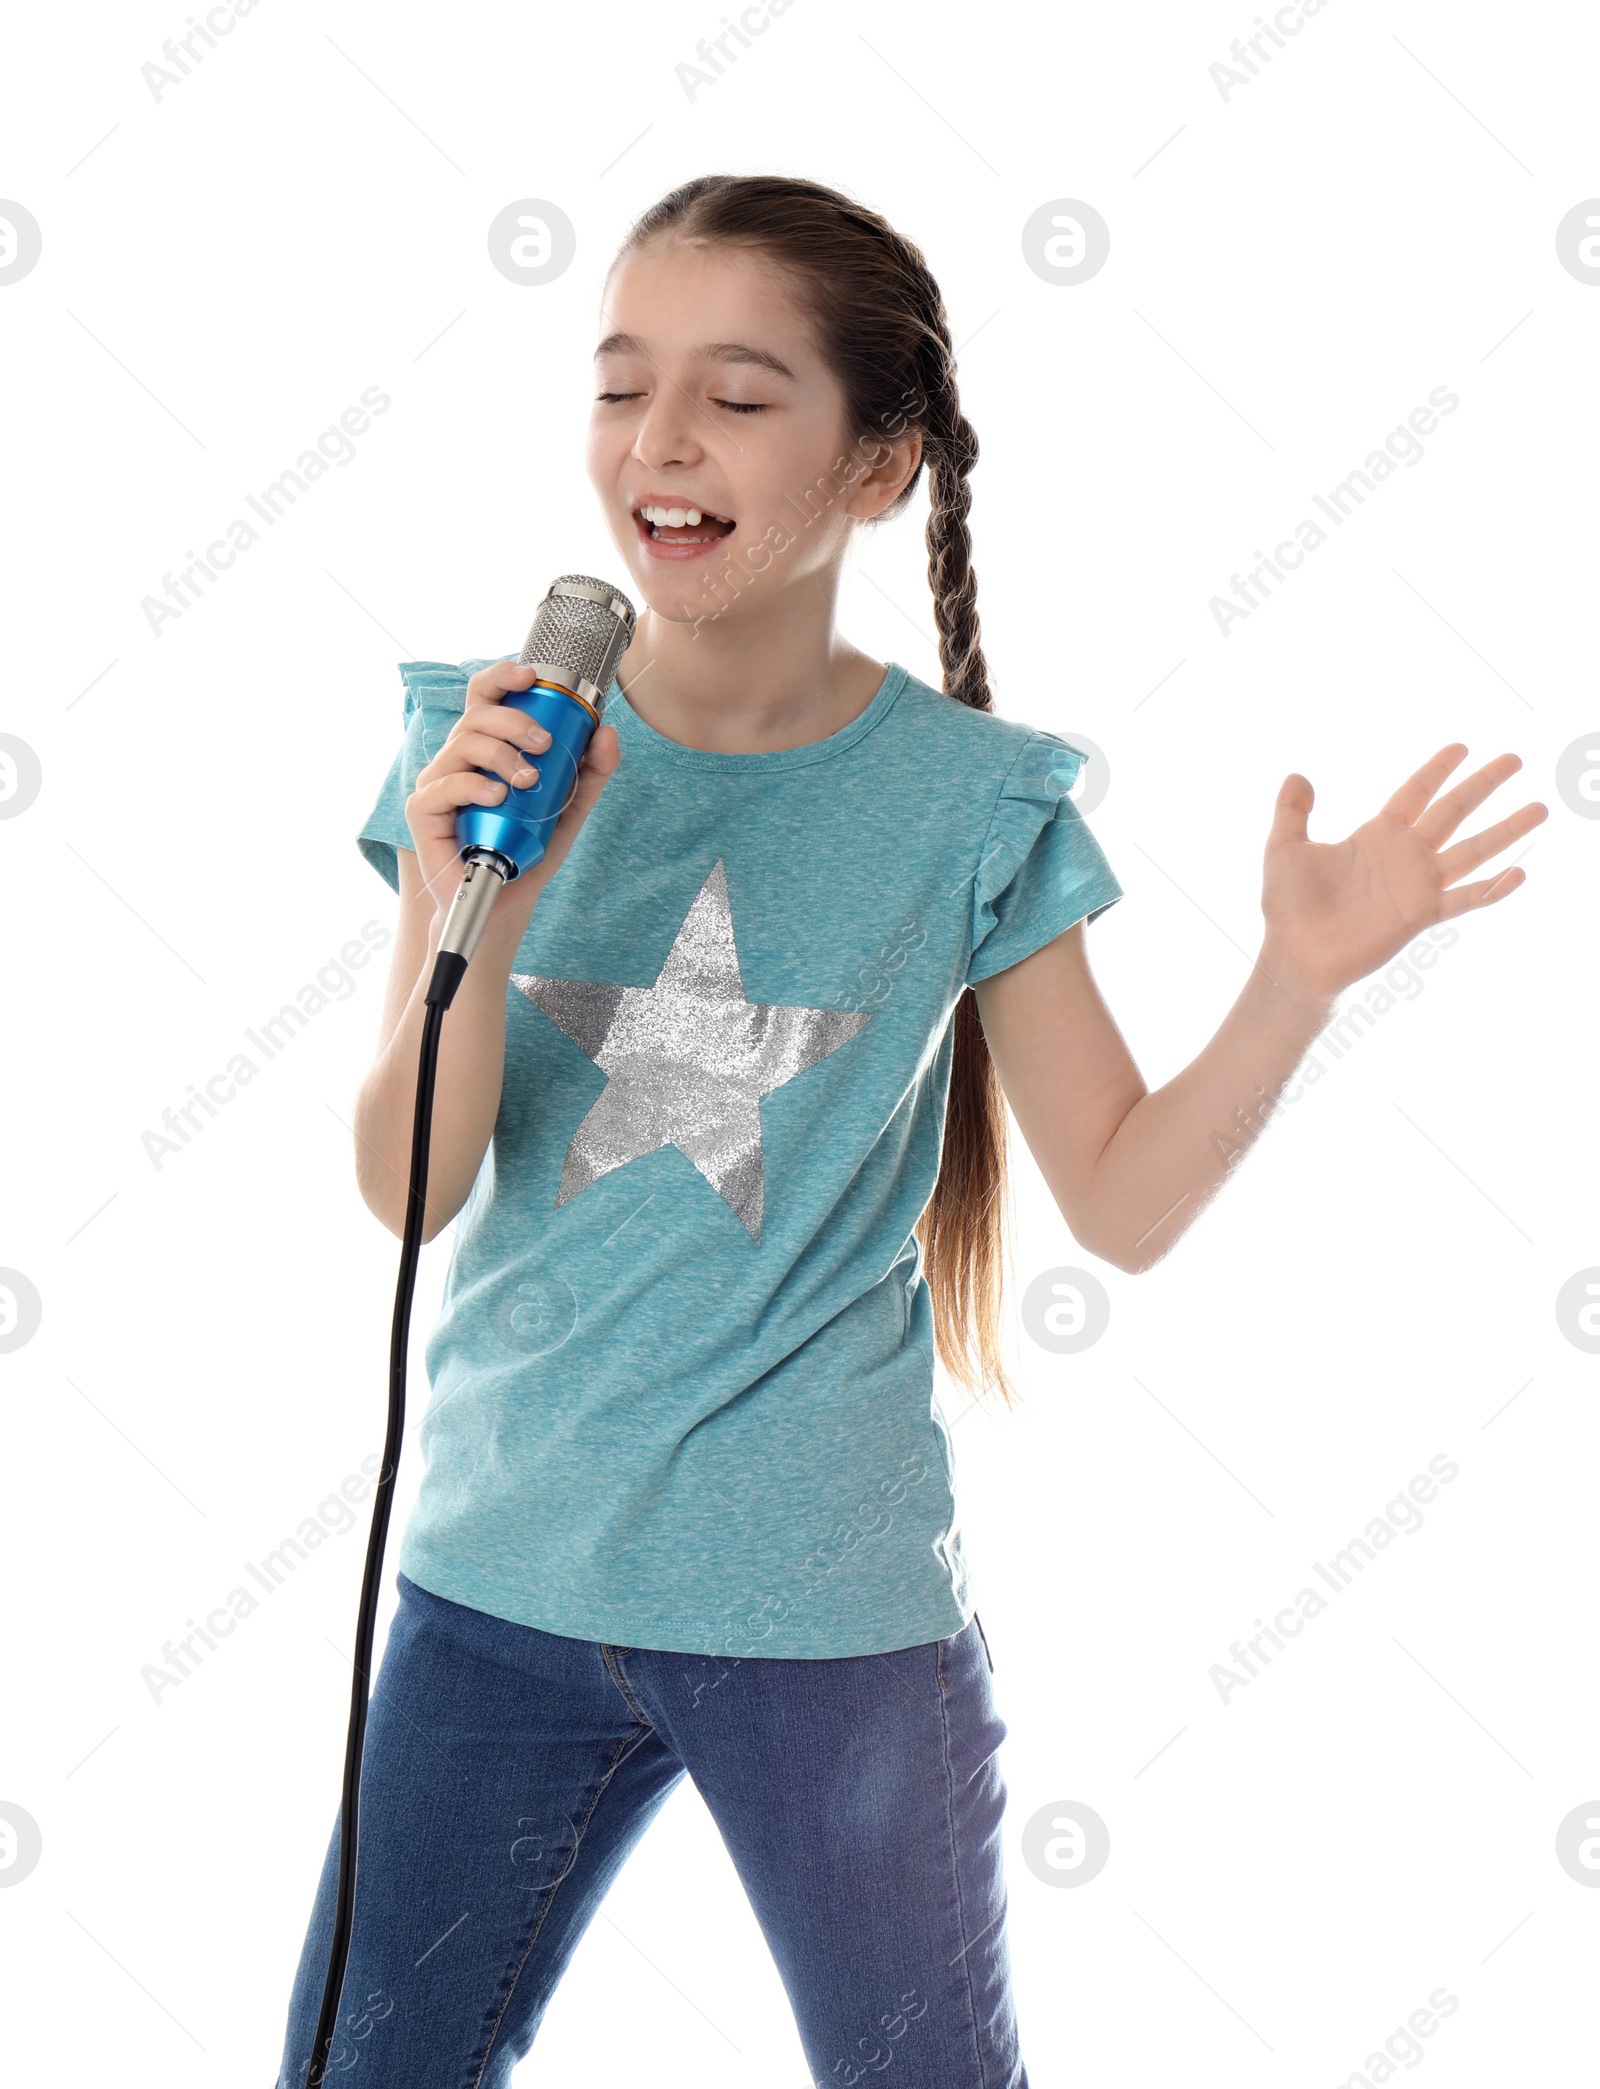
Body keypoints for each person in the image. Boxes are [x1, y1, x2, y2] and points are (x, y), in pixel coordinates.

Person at [276, 173, 1544, 2088]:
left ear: (878, 469)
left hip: (825, 1623)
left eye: (739, 392)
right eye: (621, 385)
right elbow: (407, 1184)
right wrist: (488, 895)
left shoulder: (974, 807)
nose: (661, 440)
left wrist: (1296, 980)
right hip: (493, 1590)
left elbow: (1116, 1197)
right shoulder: (485, 750)